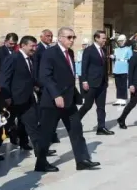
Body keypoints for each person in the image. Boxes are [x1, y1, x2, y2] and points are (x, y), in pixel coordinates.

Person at [38, 27, 100, 171]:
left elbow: (69, 76)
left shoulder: (70, 53)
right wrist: (56, 95)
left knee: (76, 129)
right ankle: (41, 162)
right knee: (47, 133)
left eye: (73, 37)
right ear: (60, 38)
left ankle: (82, 160)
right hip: (53, 101)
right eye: (69, 37)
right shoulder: (50, 53)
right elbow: (45, 76)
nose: (72, 40)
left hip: (69, 100)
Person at [0, 36, 56, 167]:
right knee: (3, 127)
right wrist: (6, 97)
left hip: (27, 99)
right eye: (32, 46)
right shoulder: (13, 58)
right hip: (13, 101)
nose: (34, 49)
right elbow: (4, 78)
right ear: (23, 45)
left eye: (36, 46)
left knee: (33, 127)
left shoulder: (30, 59)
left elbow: (31, 77)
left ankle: (41, 154)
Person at [78, 31, 113, 135]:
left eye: (105, 38)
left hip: (102, 83)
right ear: (96, 38)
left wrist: (106, 80)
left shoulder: (104, 49)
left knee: (101, 107)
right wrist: (84, 81)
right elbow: (84, 66)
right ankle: (74, 122)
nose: (105, 40)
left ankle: (101, 128)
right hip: (91, 83)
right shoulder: (89, 50)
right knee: (87, 105)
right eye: (103, 38)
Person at [117, 40, 137, 128]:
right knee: (132, 103)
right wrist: (131, 84)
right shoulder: (134, 57)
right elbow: (130, 72)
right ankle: (121, 118)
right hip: (136, 85)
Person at [111, 34, 132, 106]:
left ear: (125, 41)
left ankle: (123, 99)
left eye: (121, 41)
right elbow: (115, 58)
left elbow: (131, 60)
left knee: (123, 85)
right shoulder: (116, 50)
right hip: (117, 68)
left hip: (124, 68)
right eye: (119, 41)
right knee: (118, 84)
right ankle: (119, 99)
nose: (120, 42)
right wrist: (113, 57)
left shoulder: (128, 49)